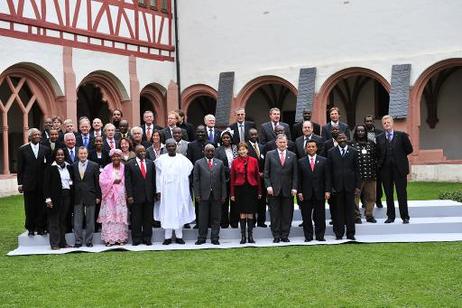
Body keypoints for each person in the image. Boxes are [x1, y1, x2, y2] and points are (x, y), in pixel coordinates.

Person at [155, 139, 195, 245]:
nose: (171, 148)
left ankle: (179, 236)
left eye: (173, 146)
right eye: (169, 146)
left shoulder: (182, 159)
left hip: (179, 191)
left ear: (176, 147)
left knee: (179, 211)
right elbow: (158, 176)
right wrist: (158, 190)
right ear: (166, 148)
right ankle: (167, 237)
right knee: (167, 212)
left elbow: (188, 171)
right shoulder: (161, 160)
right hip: (166, 191)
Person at [376, 115, 413, 224]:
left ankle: (405, 217)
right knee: (388, 194)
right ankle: (390, 216)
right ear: (383, 125)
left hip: (399, 169)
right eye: (385, 123)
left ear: (392, 123)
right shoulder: (379, 138)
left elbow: (409, 149)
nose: (387, 124)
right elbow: (378, 153)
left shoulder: (402, 136)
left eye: (388, 122)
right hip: (385, 170)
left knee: (401, 193)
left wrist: (399, 157)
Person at [264, 134, 298, 243]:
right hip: (273, 190)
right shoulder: (270, 154)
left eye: (284, 142)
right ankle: (276, 236)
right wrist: (268, 185)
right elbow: (266, 173)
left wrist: (294, 188)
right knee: (274, 214)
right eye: (280, 142)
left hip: (288, 190)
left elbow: (295, 175)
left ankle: (285, 235)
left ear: (287, 144)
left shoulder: (292, 155)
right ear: (276, 143)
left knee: (287, 214)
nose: (282, 144)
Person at [17, 128, 50, 236]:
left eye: (38, 135)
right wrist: (20, 184)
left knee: (41, 206)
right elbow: (20, 168)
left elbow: (47, 167)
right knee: (29, 206)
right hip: (28, 183)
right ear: (30, 137)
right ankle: (30, 228)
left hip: (42, 183)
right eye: (34, 134)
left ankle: (41, 227)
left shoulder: (45, 149)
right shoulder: (23, 150)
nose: (37, 136)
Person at [328, 133, 360, 240]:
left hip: (350, 187)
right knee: (338, 212)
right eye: (339, 138)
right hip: (336, 188)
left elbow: (357, 170)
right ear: (336, 140)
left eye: (343, 138)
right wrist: (330, 187)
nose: (342, 140)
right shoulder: (331, 152)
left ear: (347, 139)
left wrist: (357, 187)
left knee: (350, 211)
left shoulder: (354, 152)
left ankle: (351, 234)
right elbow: (329, 172)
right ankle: (339, 233)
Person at [297, 140, 331, 242]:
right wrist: (299, 192)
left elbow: (327, 177)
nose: (311, 148)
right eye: (309, 147)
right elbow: (298, 178)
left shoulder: (324, 160)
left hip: (319, 193)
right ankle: (308, 236)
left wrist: (327, 191)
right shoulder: (301, 161)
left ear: (316, 148)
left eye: (313, 146)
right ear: (306, 149)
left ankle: (320, 236)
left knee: (320, 216)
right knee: (306, 216)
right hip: (305, 194)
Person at [193, 144, 227, 245]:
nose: (210, 153)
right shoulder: (198, 163)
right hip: (203, 195)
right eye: (208, 151)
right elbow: (196, 180)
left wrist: (224, 195)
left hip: (217, 195)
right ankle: (201, 237)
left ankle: (215, 237)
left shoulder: (220, 163)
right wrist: (197, 195)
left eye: (212, 151)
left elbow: (223, 181)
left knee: (216, 218)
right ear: (204, 151)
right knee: (203, 218)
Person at [230, 143, 262, 244]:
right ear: (238, 151)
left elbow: (257, 177)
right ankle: (243, 237)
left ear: (247, 150)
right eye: (240, 150)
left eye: (244, 149)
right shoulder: (234, 162)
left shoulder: (254, 160)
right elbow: (232, 179)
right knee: (242, 214)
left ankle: (250, 236)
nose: (242, 151)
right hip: (240, 190)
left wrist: (259, 191)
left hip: (251, 188)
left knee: (251, 214)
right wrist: (232, 194)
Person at [125, 145, 156, 246]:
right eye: (140, 151)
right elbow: (128, 182)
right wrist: (129, 195)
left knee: (148, 218)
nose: (143, 153)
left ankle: (147, 238)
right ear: (135, 152)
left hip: (149, 196)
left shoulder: (150, 163)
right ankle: (136, 239)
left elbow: (153, 180)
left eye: (144, 151)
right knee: (136, 219)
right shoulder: (129, 164)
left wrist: (155, 193)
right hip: (135, 196)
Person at [43, 148, 73, 249]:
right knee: (54, 221)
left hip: (66, 195)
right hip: (54, 197)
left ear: (65, 156)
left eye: (62, 155)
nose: (60, 157)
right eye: (58, 155)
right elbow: (46, 185)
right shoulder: (50, 168)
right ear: (55, 156)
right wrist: (48, 199)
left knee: (62, 220)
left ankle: (63, 243)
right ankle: (54, 244)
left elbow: (71, 181)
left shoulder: (69, 167)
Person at [98, 149, 129, 246]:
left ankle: (120, 239)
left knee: (120, 217)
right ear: (111, 158)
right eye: (114, 156)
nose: (116, 158)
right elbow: (102, 181)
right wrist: (113, 181)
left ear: (121, 157)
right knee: (110, 218)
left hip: (121, 197)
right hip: (109, 197)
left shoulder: (124, 167)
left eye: (118, 156)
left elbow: (127, 180)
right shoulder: (107, 168)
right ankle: (109, 239)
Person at [72, 147, 101, 248]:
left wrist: (98, 196)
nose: (83, 155)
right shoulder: (73, 165)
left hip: (90, 195)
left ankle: (89, 241)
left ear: (87, 154)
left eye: (84, 153)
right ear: (78, 154)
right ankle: (78, 241)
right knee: (77, 220)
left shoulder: (94, 165)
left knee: (90, 220)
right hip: (78, 196)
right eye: (81, 153)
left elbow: (97, 182)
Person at [351, 125, 378, 223]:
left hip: (371, 175)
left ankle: (369, 215)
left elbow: (375, 158)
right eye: (358, 131)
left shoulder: (371, 144)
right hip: (357, 177)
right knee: (355, 197)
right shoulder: (352, 144)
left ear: (365, 132)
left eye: (362, 131)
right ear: (356, 132)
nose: (360, 133)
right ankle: (356, 216)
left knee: (371, 196)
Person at [187, 125, 210, 228]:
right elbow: (189, 162)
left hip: (209, 178)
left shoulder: (210, 144)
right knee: (198, 200)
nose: (200, 134)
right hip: (196, 178)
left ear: (206, 133)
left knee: (209, 199)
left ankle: (209, 222)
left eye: (202, 132)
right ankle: (199, 222)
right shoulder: (191, 145)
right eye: (199, 132)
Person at [215, 130, 238, 228]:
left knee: (234, 201)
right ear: (221, 139)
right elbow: (217, 163)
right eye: (224, 138)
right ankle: (224, 222)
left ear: (231, 138)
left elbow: (239, 160)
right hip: (223, 179)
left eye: (228, 137)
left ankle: (234, 222)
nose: (226, 139)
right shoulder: (218, 150)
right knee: (223, 201)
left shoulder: (235, 148)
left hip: (235, 179)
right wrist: (228, 170)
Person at [246, 128, 267, 227]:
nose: (254, 136)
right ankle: (252, 221)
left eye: (255, 134)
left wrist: (263, 173)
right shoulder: (246, 147)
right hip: (252, 179)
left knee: (262, 200)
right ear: (248, 135)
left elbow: (266, 161)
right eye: (252, 135)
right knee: (252, 200)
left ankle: (261, 221)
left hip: (262, 179)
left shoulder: (262, 147)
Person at [364, 115, 384, 208]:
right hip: (365, 162)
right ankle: (364, 202)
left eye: (370, 121)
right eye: (367, 121)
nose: (369, 123)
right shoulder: (361, 132)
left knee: (378, 182)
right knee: (365, 183)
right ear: (364, 122)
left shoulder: (380, 133)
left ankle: (378, 200)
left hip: (377, 162)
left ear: (373, 122)